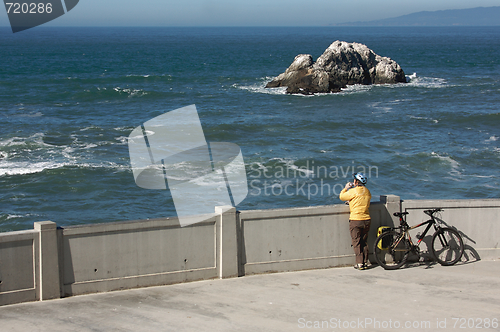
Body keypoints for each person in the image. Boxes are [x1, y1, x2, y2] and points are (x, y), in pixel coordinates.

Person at [339, 172, 372, 270]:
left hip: (356, 220)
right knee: (364, 241)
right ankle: (365, 262)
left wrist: (346, 188)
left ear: (356, 182)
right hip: (367, 219)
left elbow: (342, 197)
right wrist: (352, 202)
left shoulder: (353, 191)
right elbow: (362, 201)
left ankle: (359, 263)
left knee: (356, 242)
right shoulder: (367, 191)